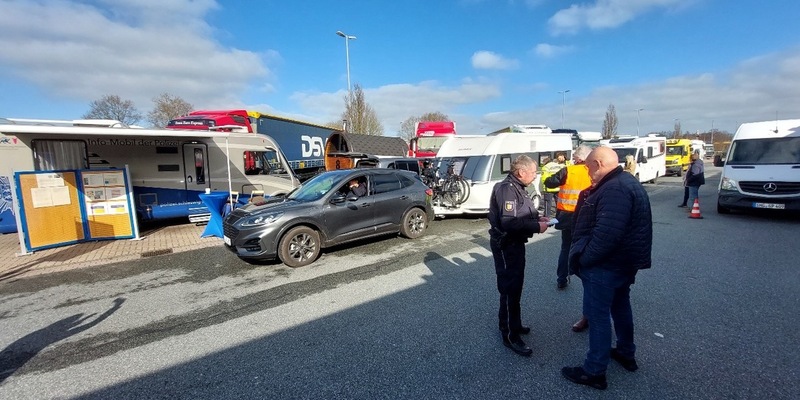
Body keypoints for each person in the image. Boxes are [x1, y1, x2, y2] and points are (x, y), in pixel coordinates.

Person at [561, 146, 653, 390]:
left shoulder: (615, 189)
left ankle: (594, 371)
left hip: (607, 266)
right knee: (620, 306)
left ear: (599, 164)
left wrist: (584, 259)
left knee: (598, 315)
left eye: (589, 168)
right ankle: (625, 352)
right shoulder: (624, 182)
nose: (587, 173)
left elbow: (607, 235)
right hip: (622, 264)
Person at [488, 155, 550, 357]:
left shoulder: (517, 187)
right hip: (506, 245)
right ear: (521, 172)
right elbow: (509, 222)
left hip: (515, 244)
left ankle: (514, 323)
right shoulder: (507, 188)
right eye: (533, 173)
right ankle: (509, 335)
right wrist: (536, 226)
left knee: (516, 287)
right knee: (509, 288)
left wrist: (537, 217)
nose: (535, 176)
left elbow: (520, 213)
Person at [544, 145, 593, 290]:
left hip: (566, 216)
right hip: (586, 215)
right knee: (588, 246)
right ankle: (588, 277)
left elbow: (549, 182)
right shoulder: (592, 171)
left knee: (566, 248)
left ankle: (562, 279)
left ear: (578, 158)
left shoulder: (568, 170)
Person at [541, 153, 567, 217]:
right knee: (558, 203)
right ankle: (559, 216)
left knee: (548, 203)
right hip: (558, 188)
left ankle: (547, 217)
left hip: (549, 189)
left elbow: (544, 179)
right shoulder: (559, 166)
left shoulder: (546, 167)